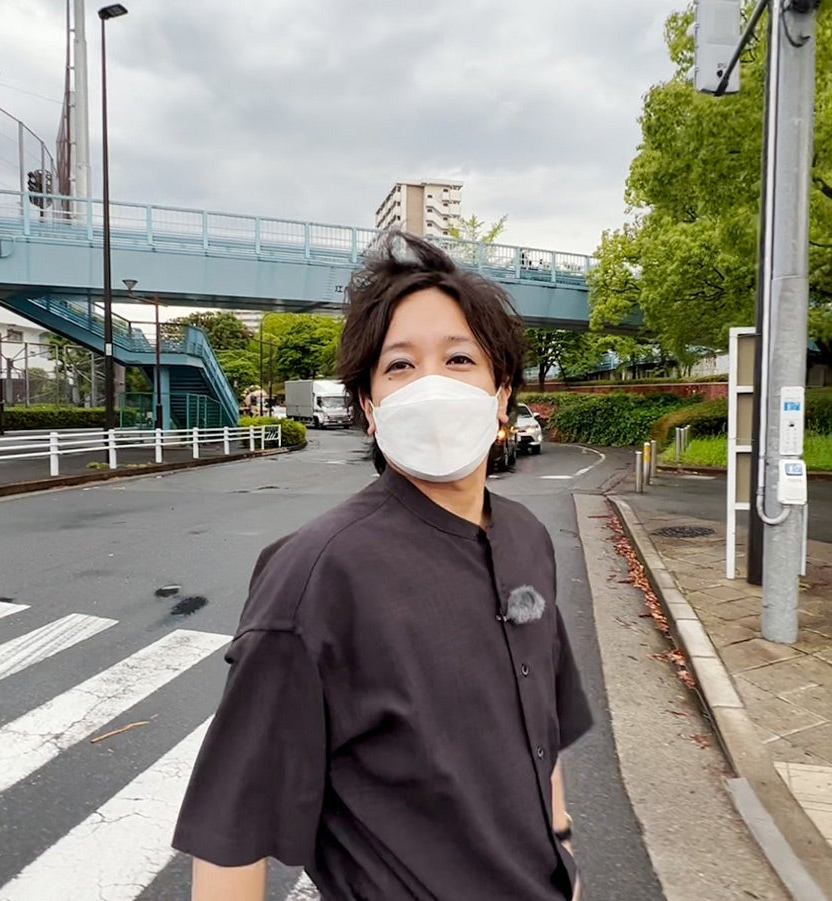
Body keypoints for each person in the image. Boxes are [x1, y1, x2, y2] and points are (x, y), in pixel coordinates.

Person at [172, 230, 594, 900]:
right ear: (370, 408)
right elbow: (233, 836)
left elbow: (542, 721)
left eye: (459, 358)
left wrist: (562, 844)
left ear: (501, 395)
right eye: (400, 366)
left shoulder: (527, 538)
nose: (431, 384)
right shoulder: (314, 575)